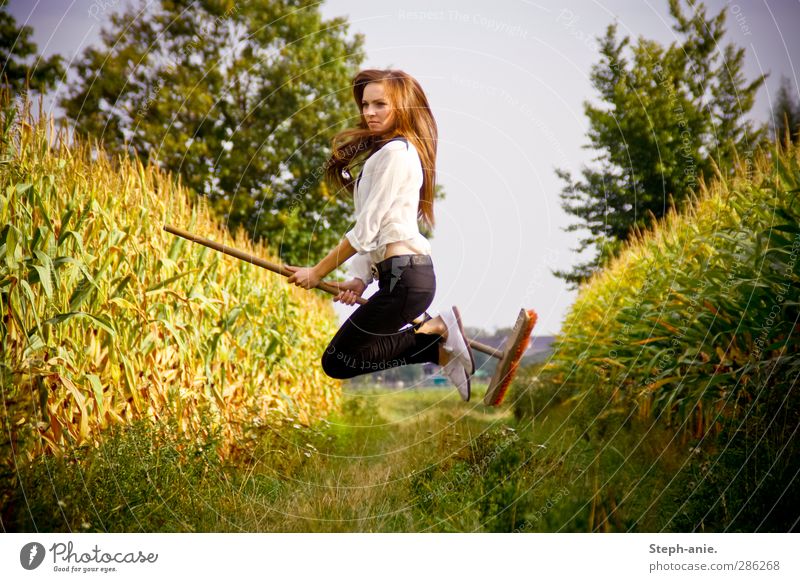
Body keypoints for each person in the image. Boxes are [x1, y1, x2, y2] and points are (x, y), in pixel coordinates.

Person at [287, 69, 475, 399]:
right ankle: (436, 349)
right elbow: (374, 229)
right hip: (399, 278)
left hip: (406, 278)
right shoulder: (387, 154)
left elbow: (366, 228)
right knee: (341, 361)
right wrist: (359, 279)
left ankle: (437, 337)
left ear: (400, 106)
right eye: (365, 105)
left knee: (338, 361)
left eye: (379, 105)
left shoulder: (396, 155)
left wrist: (317, 271)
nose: (369, 113)